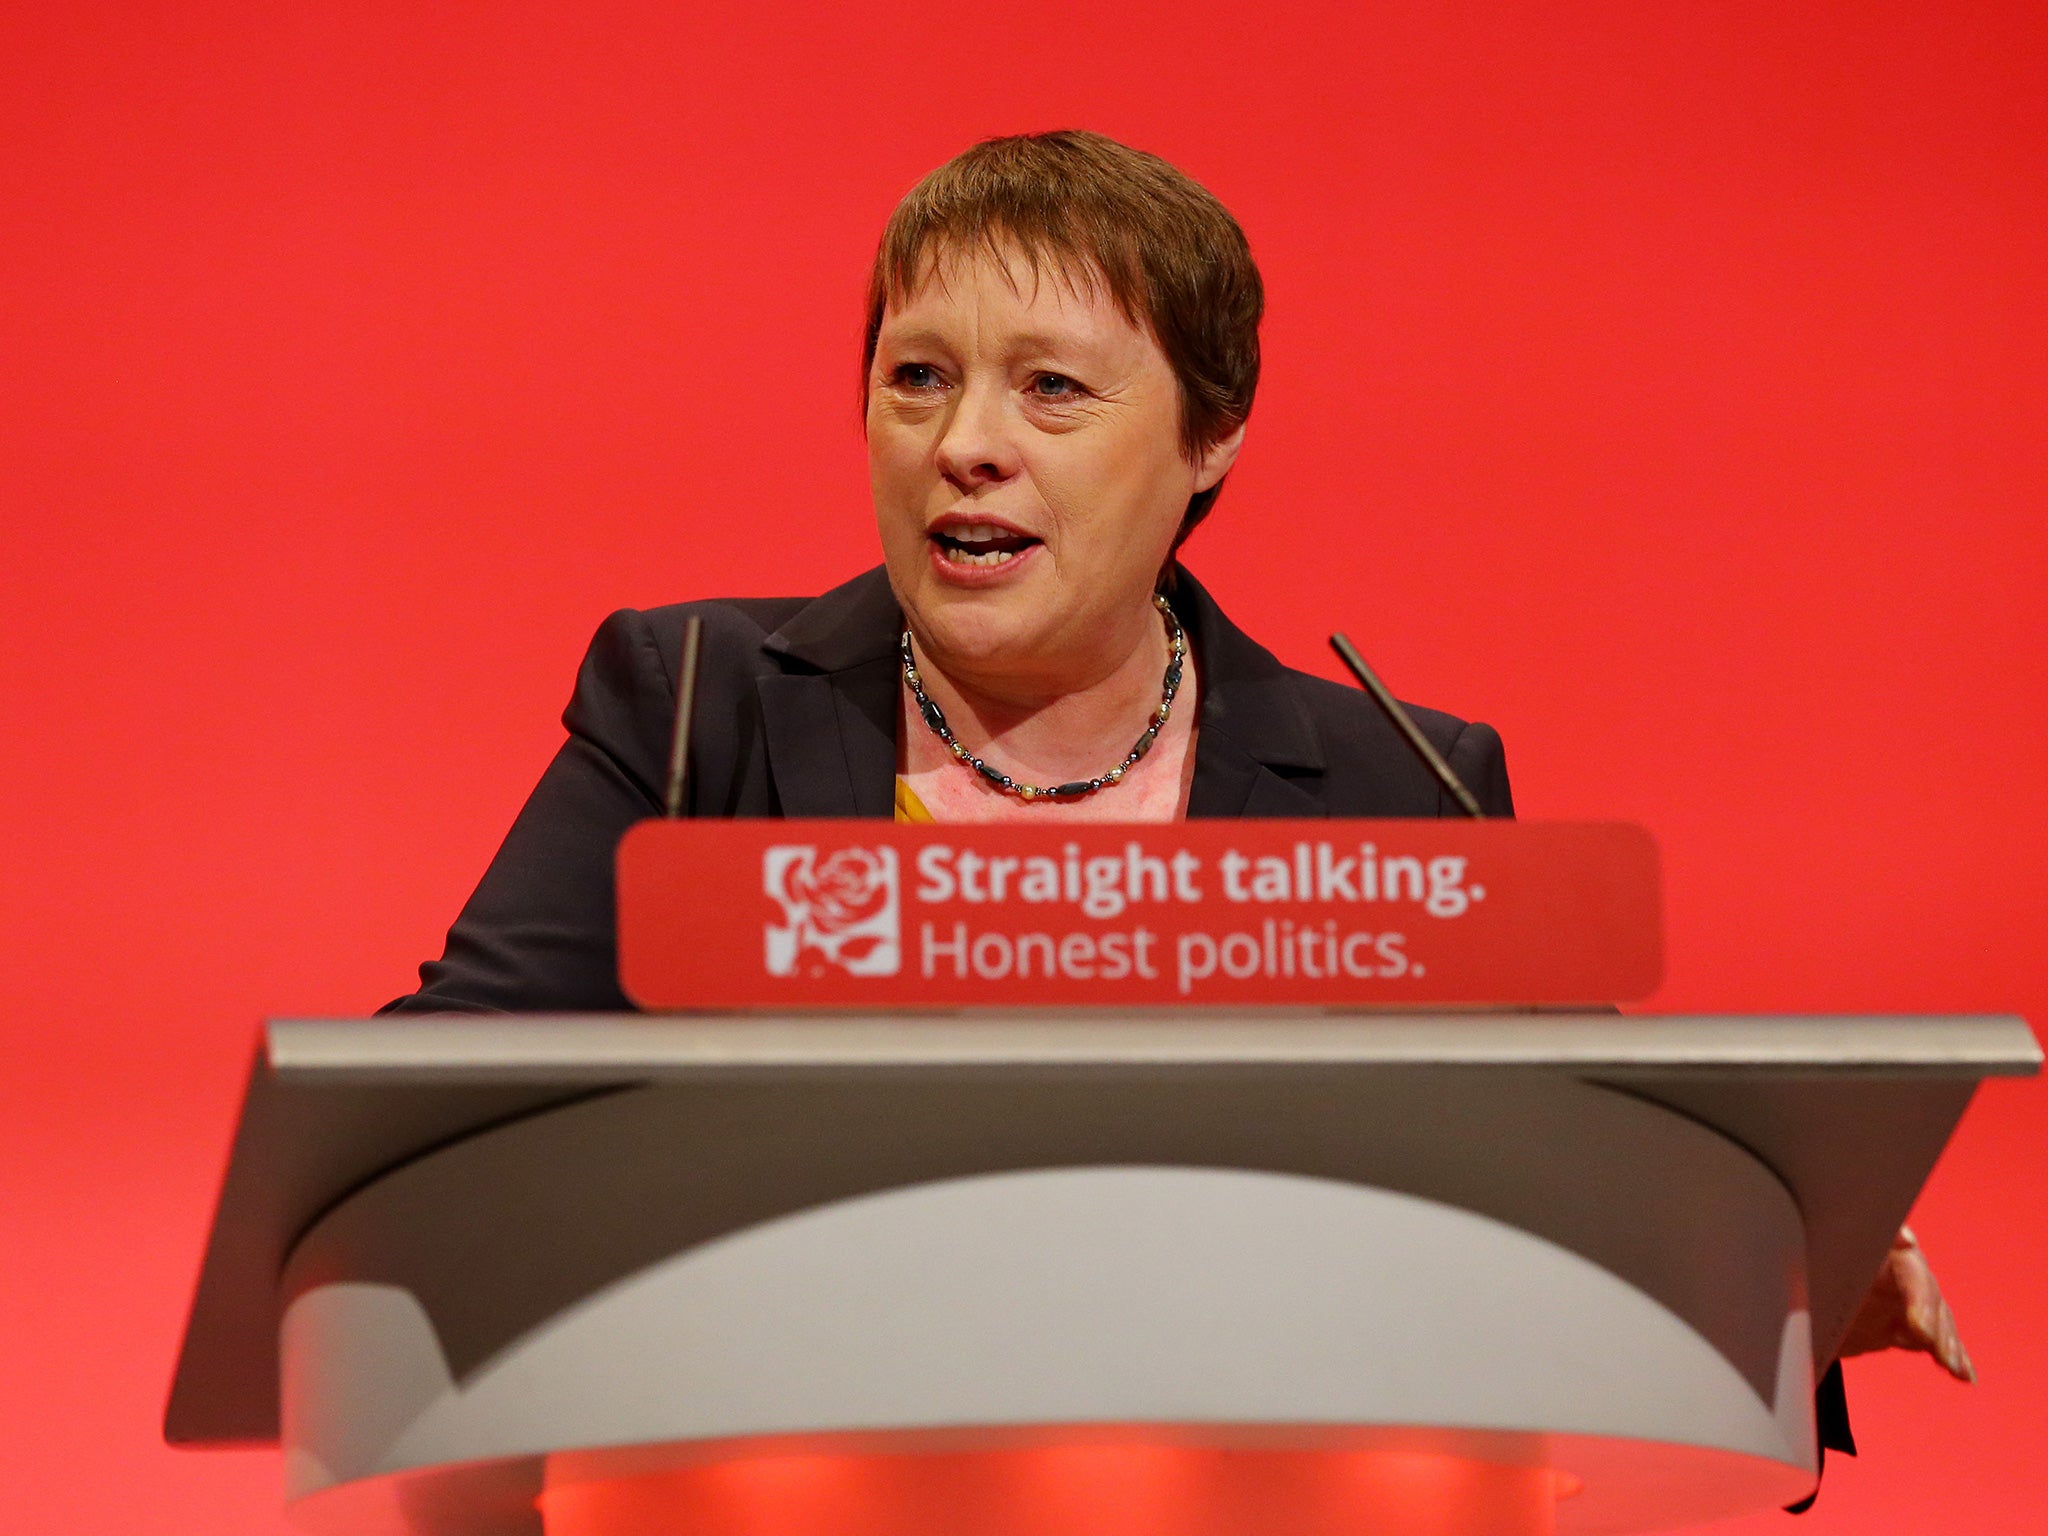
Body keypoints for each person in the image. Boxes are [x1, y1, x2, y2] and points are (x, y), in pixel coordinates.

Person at [383, 128, 1969, 1480]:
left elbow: (1585, 1198)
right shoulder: (693, 712)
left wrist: (1769, 1276)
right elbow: (432, 1116)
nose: (965, 446)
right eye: (915, 377)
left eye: (1053, 390)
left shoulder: (1391, 786)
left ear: (1212, 438)